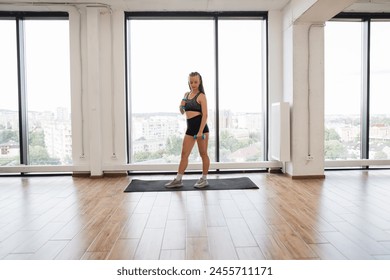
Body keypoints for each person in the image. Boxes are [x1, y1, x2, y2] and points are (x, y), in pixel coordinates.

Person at [165, 72, 210, 189]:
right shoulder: (186, 94)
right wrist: (181, 105)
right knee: (184, 154)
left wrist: (200, 132)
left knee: (203, 154)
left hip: (201, 129)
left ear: (199, 82)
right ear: (188, 82)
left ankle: (204, 179)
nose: (193, 84)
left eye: (195, 82)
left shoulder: (201, 96)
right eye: (191, 82)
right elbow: (182, 111)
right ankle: (178, 179)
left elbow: (205, 115)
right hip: (190, 129)